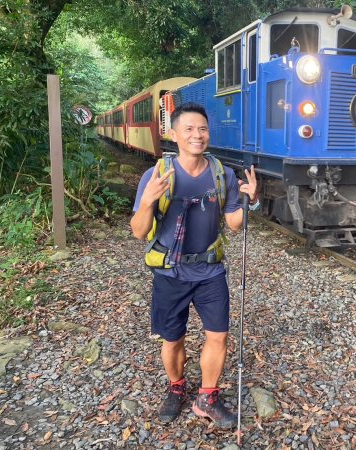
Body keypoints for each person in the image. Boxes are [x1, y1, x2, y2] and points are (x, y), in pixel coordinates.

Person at [130, 102, 258, 428]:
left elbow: (233, 224)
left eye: (202, 129)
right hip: (170, 271)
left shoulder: (221, 174)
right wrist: (146, 200)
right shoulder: (157, 174)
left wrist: (250, 200)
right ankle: (176, 388)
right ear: (174, 134)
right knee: (173, 339)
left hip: (210, 270)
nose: (197, 135)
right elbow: (139, 231)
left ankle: (207, 397)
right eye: (188, 129)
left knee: (219, 336)